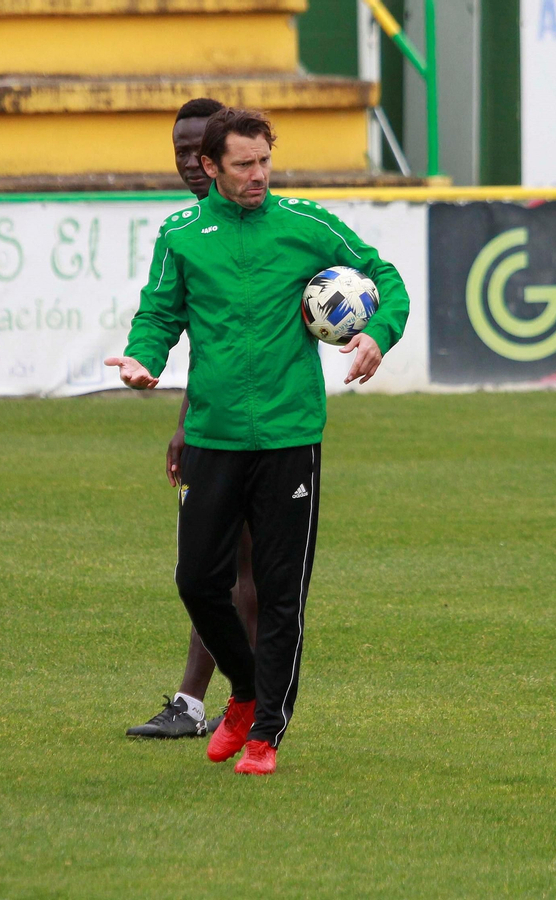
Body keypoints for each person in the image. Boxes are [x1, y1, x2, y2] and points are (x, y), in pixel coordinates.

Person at [107, 107, 410, 775]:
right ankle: (243, 691)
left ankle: (266, 732)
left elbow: (385, 278)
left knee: (279, 591)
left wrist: (376, 334)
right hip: (213, 434)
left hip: (288, 434)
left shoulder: (307, 225)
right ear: (210, 167)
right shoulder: (182, 235)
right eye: (243, 164)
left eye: (265, 161)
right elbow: (158, 313)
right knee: (197, 581)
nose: (258, 175)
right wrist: (141, 358)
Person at [127, 97, 262, 740]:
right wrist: (186, 420)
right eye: (178, 151)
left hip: (266, 428)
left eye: (196, 150)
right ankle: (229, 699)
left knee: (236, 567)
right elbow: (205, 341)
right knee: (212, 569)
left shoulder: (272, 223)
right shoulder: (186, 232)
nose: (187, 161)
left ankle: (224, 702)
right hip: (211, 420)